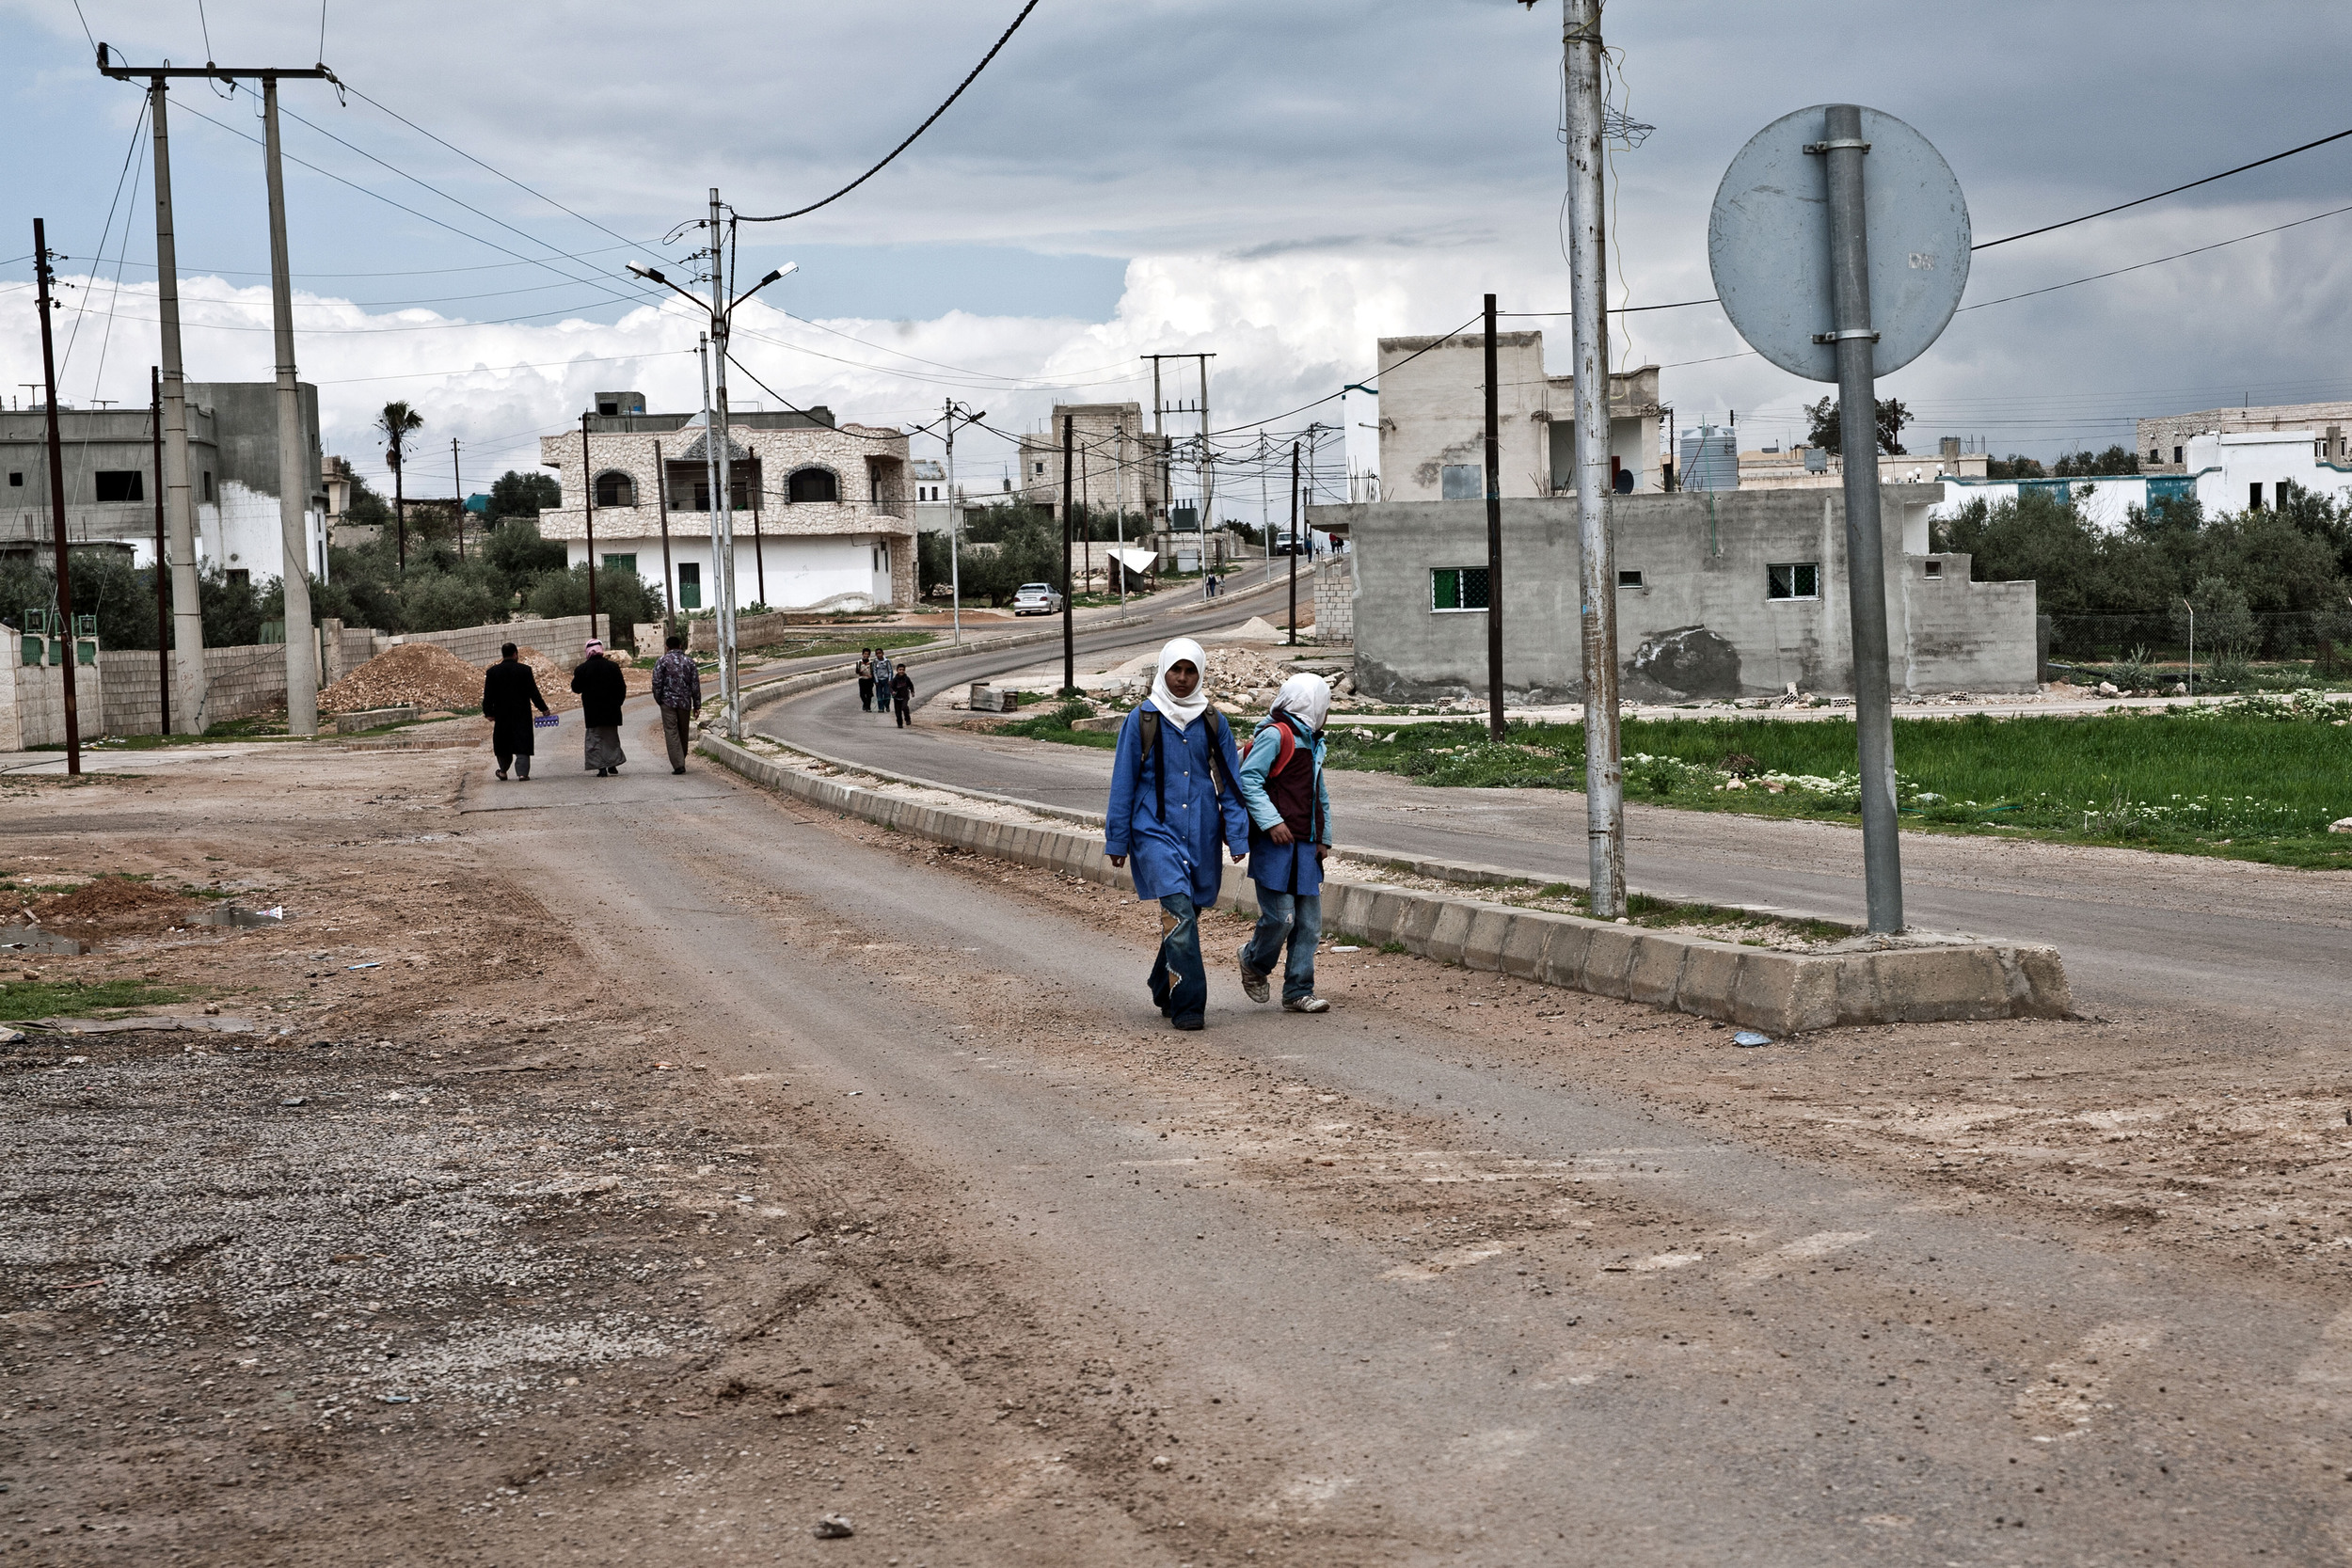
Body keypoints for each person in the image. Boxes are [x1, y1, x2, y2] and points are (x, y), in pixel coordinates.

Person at [1104, 637, 1248, 1032]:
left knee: (1184, 915)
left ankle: (1161, 983)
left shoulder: (1212, 721)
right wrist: (1117, 839)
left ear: (1199, 674)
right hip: (1153, 831)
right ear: (1163, 671)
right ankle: (1189, 1006)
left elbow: (1231, 785)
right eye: (1175, 670)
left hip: (1201, 832)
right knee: (1180, 913)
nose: (1182, 679)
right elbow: (1123, 783)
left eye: (1190, 671)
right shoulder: (1143, 719)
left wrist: (1238, 836)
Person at [1235, 673, 1334, 1013]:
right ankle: (1253, 961)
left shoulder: (1313, 740)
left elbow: (1319, 794)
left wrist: (1324, 838)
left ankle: (1297, 991)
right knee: (1281, 918)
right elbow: (1249, 778)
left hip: (1305, 847)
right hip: (1275, 845)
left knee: (1308, 924)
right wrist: (1271, 821)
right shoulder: (1277, 735)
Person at [481, 641, 550, 782]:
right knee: (522, 743)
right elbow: (533, 693)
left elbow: (488, 695)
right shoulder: (524, 670)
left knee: (503, 743)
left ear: (503, 655)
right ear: (515, 654)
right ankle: (522, 774)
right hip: (521, 714)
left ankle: (503, 772)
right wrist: (544, 708)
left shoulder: (492, 672)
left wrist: (488, 712)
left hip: (501, 715)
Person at [570, 638, 628, 776]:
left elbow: (576, 688)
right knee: (611, 738)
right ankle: (612, 764)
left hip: (592, 711)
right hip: (611, 709)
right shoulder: (613, 667)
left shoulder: (581, 669)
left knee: (595, 738)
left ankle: (601, 768)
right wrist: (617, 703)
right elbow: (622, 688)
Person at [652, 633, 702, 774]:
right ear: (680, 646)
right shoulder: (690, 662)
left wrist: (659, 699)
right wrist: (697, 705)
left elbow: (656, 682)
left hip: (667, 702)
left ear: (666, 647)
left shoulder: (661, 661)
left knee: (671, 731)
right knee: (683, 731)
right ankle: (681, 759)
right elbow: (695, 685)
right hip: (685, 702)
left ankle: (678, 764)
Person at [890, 661, 915, 728]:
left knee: (904, 707)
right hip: (897, 698)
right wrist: (893, 692)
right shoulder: (895, 680)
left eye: (903, 670)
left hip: (905, 696)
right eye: (900, 670)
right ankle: (899, 724)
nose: (901, 671)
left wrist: (912, 692)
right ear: (897, 670)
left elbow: (911, 685)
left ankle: (907, 719)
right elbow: (891, 687)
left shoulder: (906, 679)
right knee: (898, 712)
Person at [871, 649, 896, 718]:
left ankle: (887, 705)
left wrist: (890, 679)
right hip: (878, 680)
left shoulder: (887, 661)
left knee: (887, 693)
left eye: (880, 653)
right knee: (879, 695)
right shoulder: (875, 662)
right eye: (877, 654)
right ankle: (881, 708)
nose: (879, 655)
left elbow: (890, 670)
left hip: (886, 679)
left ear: (883, 653)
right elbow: (874, 671)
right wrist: (876, 680)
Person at [855, 648, 875, 712]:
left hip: (869, 680)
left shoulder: (871, 663)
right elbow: (857, 671)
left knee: (869, 694)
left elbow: (873, 672)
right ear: (862, 654)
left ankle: (868, 707)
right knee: (862, 694)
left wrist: (872, 678)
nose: (866, 655)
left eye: (867, 654)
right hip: (862, 679)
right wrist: (860, 671)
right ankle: (865, 703)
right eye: (865, 654)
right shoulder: (859, 662)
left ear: (869, 655)